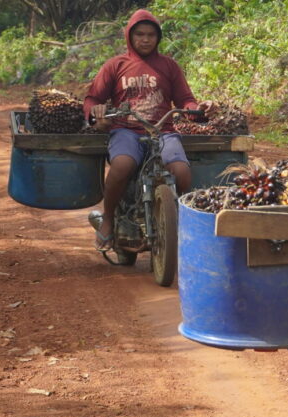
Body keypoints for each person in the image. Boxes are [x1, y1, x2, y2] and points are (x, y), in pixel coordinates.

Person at [83, 9, 213, 251]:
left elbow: (185, 99)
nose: (145, 39)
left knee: (181, 172)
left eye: (151, 34)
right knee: (122, 165)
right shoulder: (115, 65)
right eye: (140, 34)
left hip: (162, 130)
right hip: (126, 130)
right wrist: (96, 111)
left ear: (158, 37)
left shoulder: (169, 66)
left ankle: (175, 220)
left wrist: (197, 108)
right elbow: (92, 99)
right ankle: (109, 217)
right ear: (129, 36)